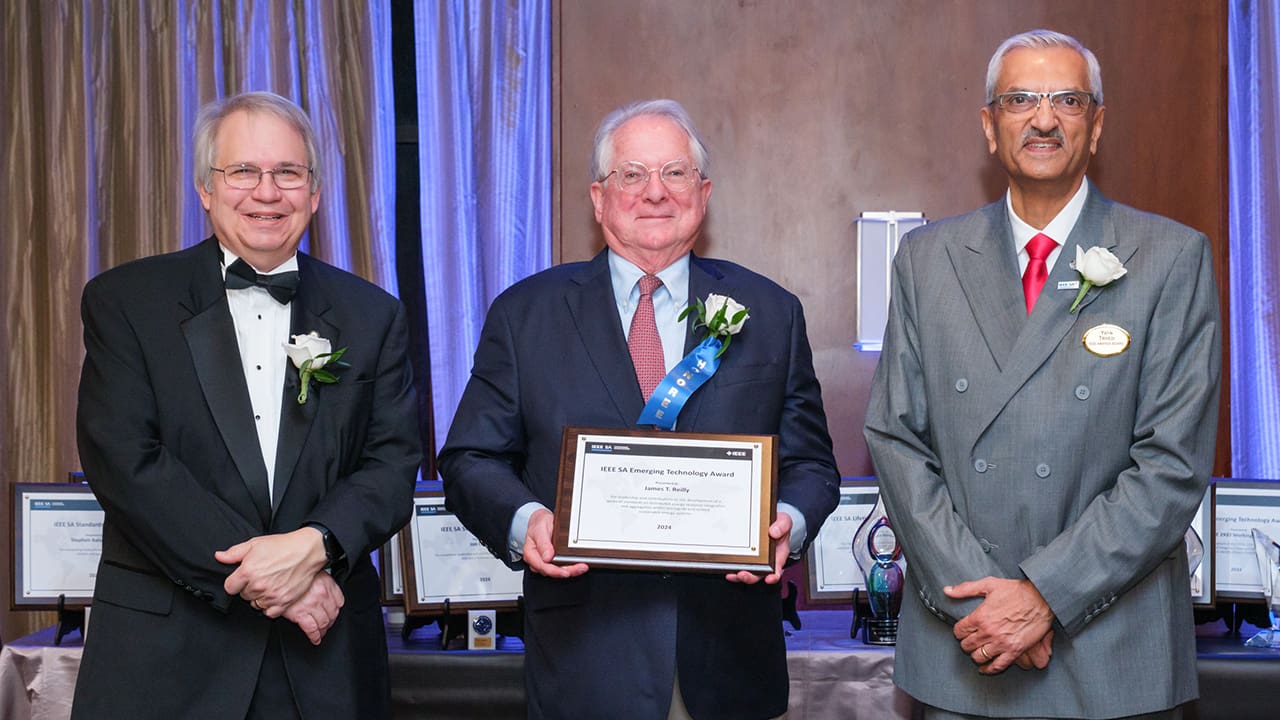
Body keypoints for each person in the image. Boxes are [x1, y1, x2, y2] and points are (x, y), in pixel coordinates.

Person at [439, 98, 840, 720]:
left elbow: (813, 464)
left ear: (702, 194)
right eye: (632, 174)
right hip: (584, 663)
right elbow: (470, 458)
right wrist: (527, 523)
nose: (655, 192)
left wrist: (787, 520)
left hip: (729, 662)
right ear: (599, 199)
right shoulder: (525, 315)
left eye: (675, 173)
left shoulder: (771, 313)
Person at [864, 29, 1221, 719]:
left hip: (1113, 652)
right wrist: (985, 600)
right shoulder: (926, 260)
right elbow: (896, 440)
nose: (1045, 118)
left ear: (1096, 125)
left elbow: (1171, 466)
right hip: (967, 646)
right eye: (1021, 99)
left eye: (1067, 99)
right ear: (990, 127)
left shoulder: (1171, 257)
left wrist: (1045, 595)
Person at [72, 91, 422, 719]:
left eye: (288, 172)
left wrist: (316, 544)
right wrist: (278, 581)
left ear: (314, 193)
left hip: (324, 663)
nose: (267, 192)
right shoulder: (125, 301)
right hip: (166, 659)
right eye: (243, 172)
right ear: (206, 189)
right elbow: (126, 462)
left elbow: (392, 465)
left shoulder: (374, 315)